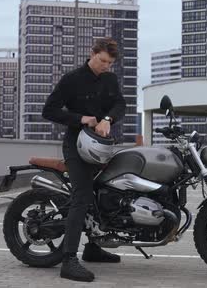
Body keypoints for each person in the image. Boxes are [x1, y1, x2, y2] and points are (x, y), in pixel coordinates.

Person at [42, 38, 126, 282]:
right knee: (82, 196)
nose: (105, 66)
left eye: (109, 63)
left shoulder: (110, 79)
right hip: (75, 146)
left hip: (101, 147)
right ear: (92, 54)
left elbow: (120, 104)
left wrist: (107, 120)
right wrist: (81, 119)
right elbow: (49, 110)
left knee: (103, 192)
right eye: (102, 61)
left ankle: (92, 247)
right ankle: (68, 260)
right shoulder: (71, 79)